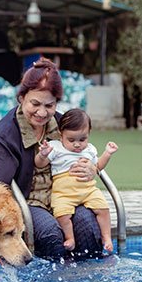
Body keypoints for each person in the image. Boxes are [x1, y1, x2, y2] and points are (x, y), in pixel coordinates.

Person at [0, 57, 104, 261]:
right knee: (51, 234)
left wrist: (93, 168)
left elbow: (84, 149)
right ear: (22, 98)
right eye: (35, 103)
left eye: (50, 105)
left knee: (88, 225)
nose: (42, 112)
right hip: (29, 202)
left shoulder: (62, 124)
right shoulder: (5, 134)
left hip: (65, 196)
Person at [35, 108, 118, 253]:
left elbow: (98, 166)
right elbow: (39, 164)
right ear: (61, 135)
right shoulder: (55, 147)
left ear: (88, 135)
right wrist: (42, 155)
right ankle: (70, 238)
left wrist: (107, 154)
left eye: (82, 139)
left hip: (88, 190)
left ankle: (107, 237)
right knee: (62, 214)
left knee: (103, 209)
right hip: (64, 193)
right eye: (71, 140)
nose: (77, 144)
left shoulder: (89, 150)